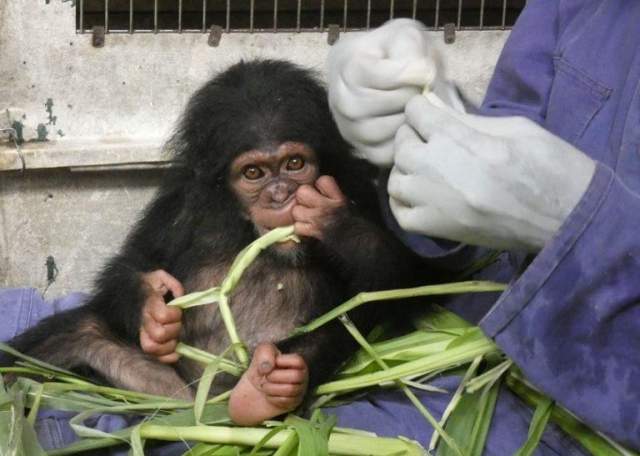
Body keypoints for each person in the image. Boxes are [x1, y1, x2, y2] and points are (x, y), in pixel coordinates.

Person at [2, 1, 639, 453]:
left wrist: (345, 229)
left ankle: (260, 398)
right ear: (214, 180)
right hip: (177, 374)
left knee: (329, 334)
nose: (281, 190)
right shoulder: (193, 203)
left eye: (295, 165)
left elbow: (389, 293)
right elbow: (127, 272)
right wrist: (144, 298)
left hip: (285, 357)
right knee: (79, 328)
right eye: (255, 175)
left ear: (325, 159)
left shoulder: (341, 201)